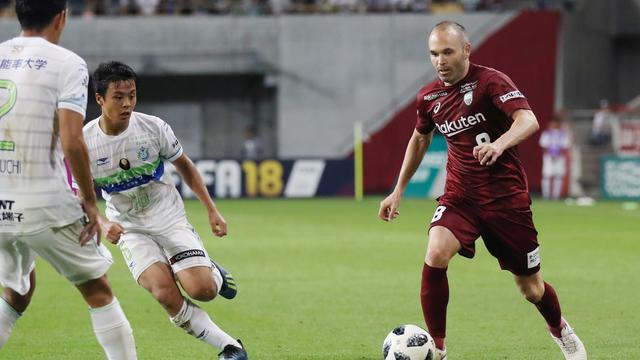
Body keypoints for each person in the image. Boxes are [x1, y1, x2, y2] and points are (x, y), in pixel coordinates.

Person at [378, 21, 586, 360]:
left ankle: (560, 329)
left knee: (531, 288)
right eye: (434, 54)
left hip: (506, 201)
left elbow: (528, 120)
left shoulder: (491, 82)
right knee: (436, 252)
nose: (440, 60)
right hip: (461, 197)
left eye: (447, 52)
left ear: (466, 50)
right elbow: (420, 137)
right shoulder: (428, 97)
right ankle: (439, 349)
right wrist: (397, 190)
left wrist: (500, 144)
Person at [81, 61, 248, 360]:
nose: (128, 103)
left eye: (132, 95)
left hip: (168, 217)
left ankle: (213, 274)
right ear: (99, 99)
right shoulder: (84, 143)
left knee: (203, 290)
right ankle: (230, 348)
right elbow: (79, 195)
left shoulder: (153, 127)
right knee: (164, 293)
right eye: (119, 97)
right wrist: (104, 224)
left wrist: (212, 210)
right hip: (129, 227)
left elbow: (185, 166)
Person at [0, 2, 137, 359]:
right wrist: (91, 202)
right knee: (97, 289)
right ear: (62, 17)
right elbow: (73, 140)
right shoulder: (68, 63)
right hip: (42, 200)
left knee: (17, 291)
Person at [539, 115, 571, 199]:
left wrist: (558, 154)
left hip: (559, 158)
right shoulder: (547, 133)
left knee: (558, 176)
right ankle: (546, 195)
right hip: (549, 157)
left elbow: (565, 146)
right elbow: (543, 145)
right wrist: (549, 154)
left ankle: (555, 195)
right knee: (547, 175)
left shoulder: (563, 134)